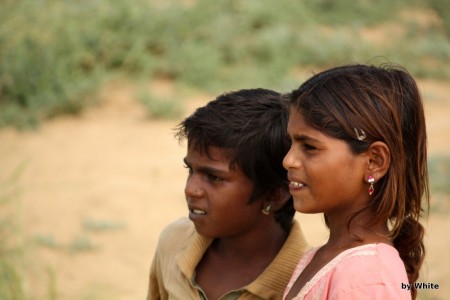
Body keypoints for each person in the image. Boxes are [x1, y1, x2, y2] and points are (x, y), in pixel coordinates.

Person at [282, 64, 429, 300]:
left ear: (373, 162)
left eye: (309, 147)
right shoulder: (325, 257)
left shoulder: (367, 279)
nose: (288, 161)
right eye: (290, 144)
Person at [147, 88, 309, 300]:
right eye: (191, 170)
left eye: (214, 178)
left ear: (274, 194)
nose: (190, 189)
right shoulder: (174, 243)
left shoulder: (306, 285)